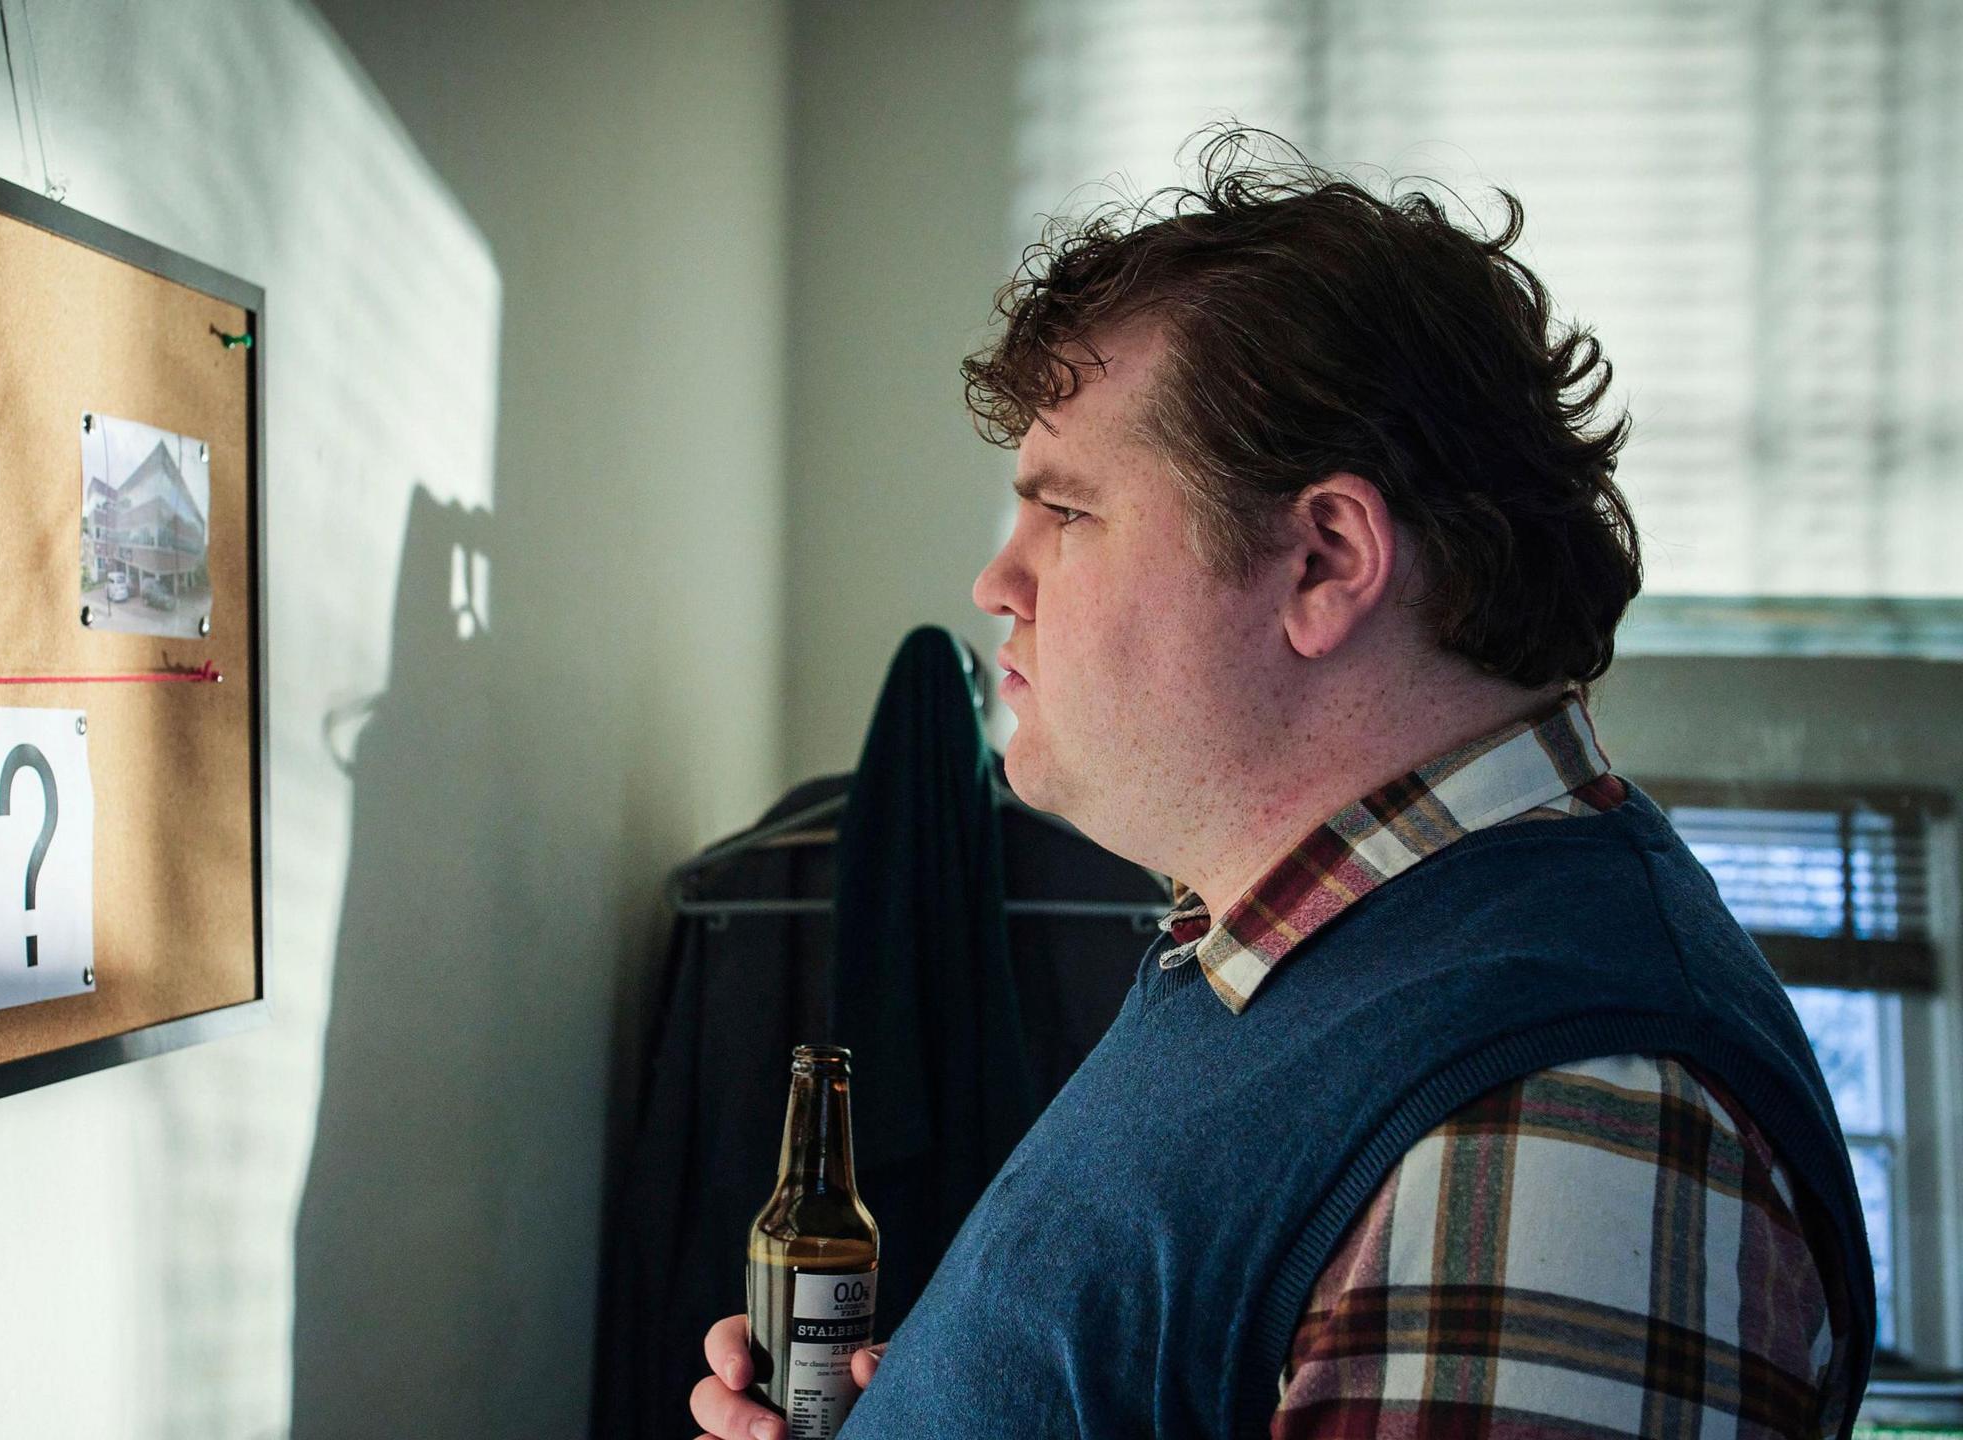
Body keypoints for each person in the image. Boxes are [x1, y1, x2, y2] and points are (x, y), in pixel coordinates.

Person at [690, 130, 1873, 1440]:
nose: (996, 584)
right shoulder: (1280, 964)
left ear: (1322, 558)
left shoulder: (1561, 1116)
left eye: (1068, 512)